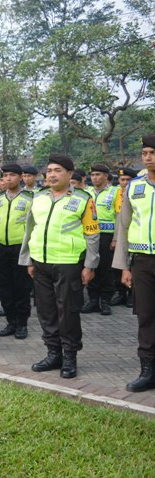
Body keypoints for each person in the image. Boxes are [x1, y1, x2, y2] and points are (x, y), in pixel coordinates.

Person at [19, 155, 99, 379]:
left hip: (68, 263)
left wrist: (90, 265)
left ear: (70, 174)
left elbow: (92, 234)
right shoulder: (39, 198)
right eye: (49, 171)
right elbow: (29, 230)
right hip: (40, 262)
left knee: (68, 311)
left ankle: (70, 356)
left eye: (58, 171)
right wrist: (28, 260)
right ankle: (53, 353)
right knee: (46, 310)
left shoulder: (83, 199)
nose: (52, 175)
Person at [113, 136, 155, 391]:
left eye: (152, 152)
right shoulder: (135, 187)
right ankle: (148, 371)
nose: (148, 157)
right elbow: (124, 226)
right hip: (141, 262)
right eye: (145, 153)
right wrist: (124, 267)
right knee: (146, 316)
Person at [0, 163, 34, 339]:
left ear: (21, 177)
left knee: (21, 288)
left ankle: (22, 324)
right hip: (0, 248)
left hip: (21, 248)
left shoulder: (30, 198)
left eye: (12, 175)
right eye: (5, 175)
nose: (8, 178)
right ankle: (10, 322)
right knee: (4, 287)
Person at [81, 164, 121, 315]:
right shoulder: (86, 192)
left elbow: (119, 217)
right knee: (91, 267)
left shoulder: (115, 192)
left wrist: (116, 238)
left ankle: (105, 301)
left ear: (106, 176)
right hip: (89, 235)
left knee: (106, 269)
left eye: (98, 174)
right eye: (93, 175)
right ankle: (92, 300)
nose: (95, 178)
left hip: (107, 236)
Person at [110, 167, 138, 307]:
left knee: (131, 265)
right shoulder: (115, 194)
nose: (125, 182)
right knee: (118, 266)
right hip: (118, 232)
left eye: (128, 180)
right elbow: (116, 217)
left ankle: (132, 294)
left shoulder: (136, 192)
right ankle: (121, 293)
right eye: (122, 180)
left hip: (133, 234)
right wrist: (115, 238)